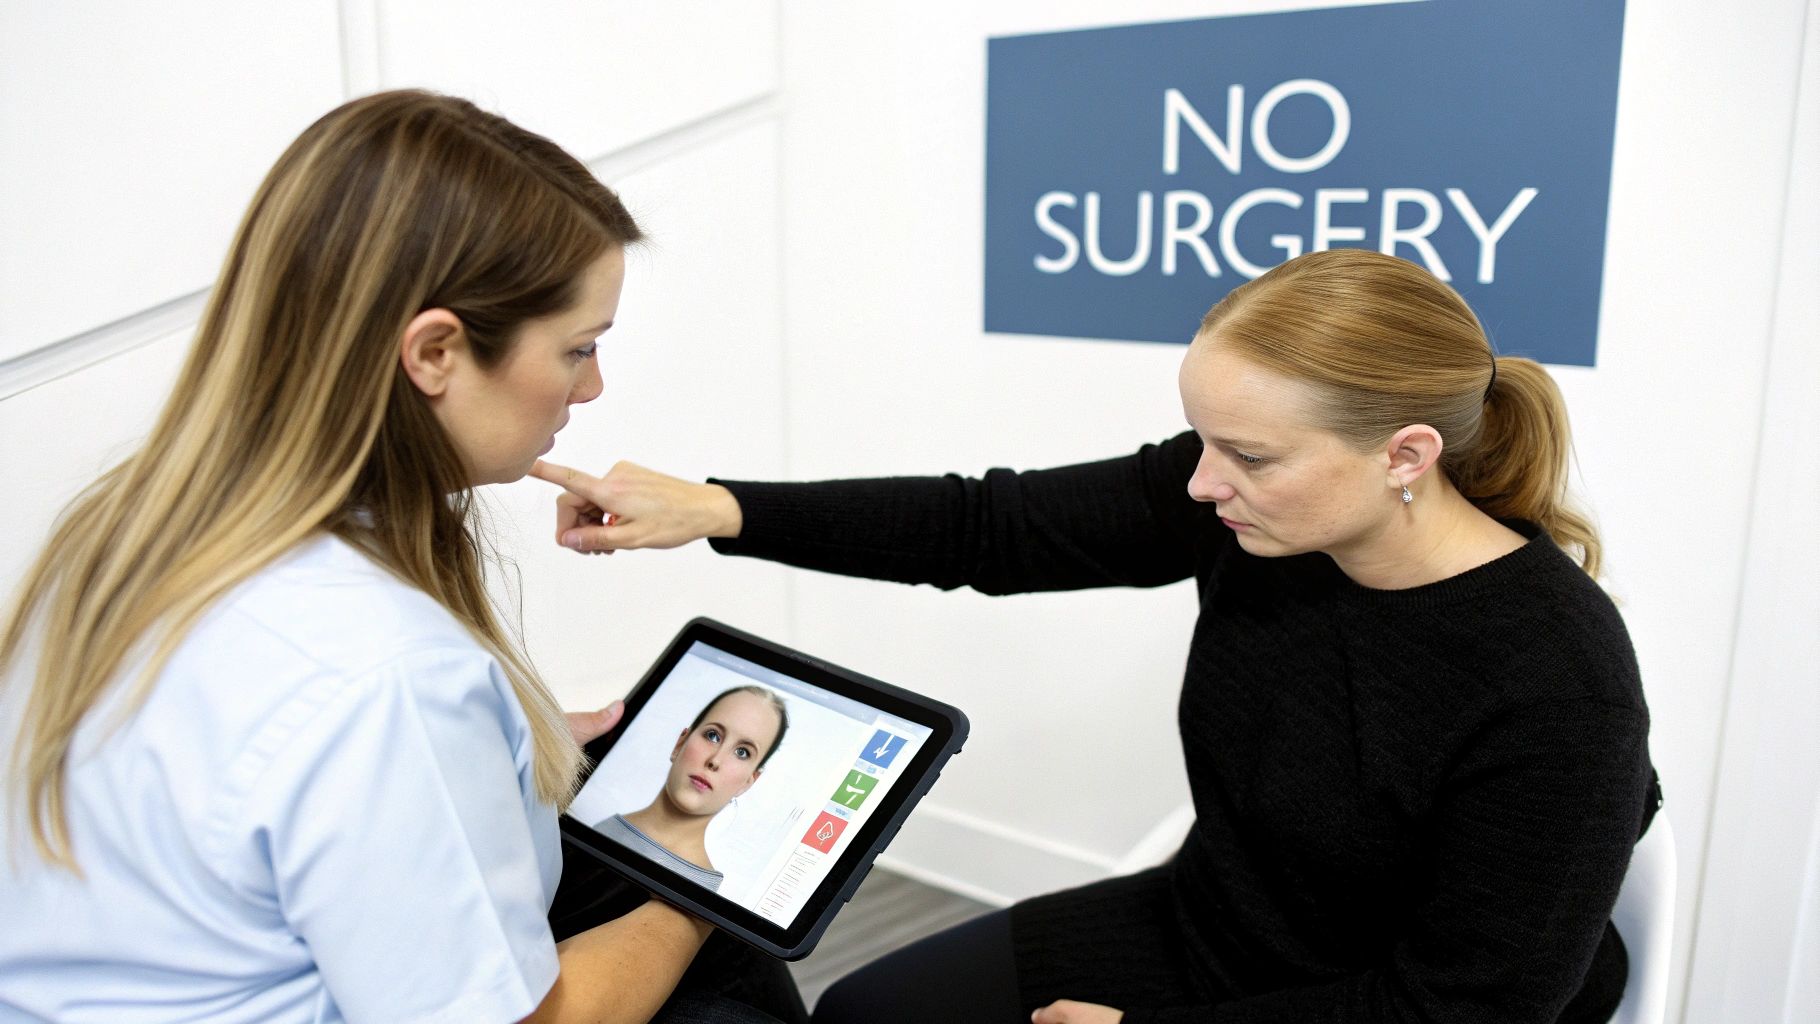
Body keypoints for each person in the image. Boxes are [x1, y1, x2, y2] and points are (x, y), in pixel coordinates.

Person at [529, 248, 1661, 1024]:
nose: (1204, 483)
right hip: (1210, 923)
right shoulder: (1252, 509)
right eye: (1199, 440)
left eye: (1248, 458)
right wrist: (720, 511)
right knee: (864, 1011)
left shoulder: (1554, 684)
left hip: (1387, 1002)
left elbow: (1464, 1007)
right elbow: (991, 524)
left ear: (1404, 455)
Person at [0, 90, 803, 1024]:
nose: (591, 386)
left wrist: (497, 756)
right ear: (435, 352)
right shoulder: (392, 678)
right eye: (577, 348)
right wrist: (706, 886)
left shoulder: (119, 531)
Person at [599, 686, 790, 893]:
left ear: (748, 782)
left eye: (742, 752)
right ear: (680, 743)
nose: (715, 760)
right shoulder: (601, 828)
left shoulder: (703, 891)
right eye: (713, 736)